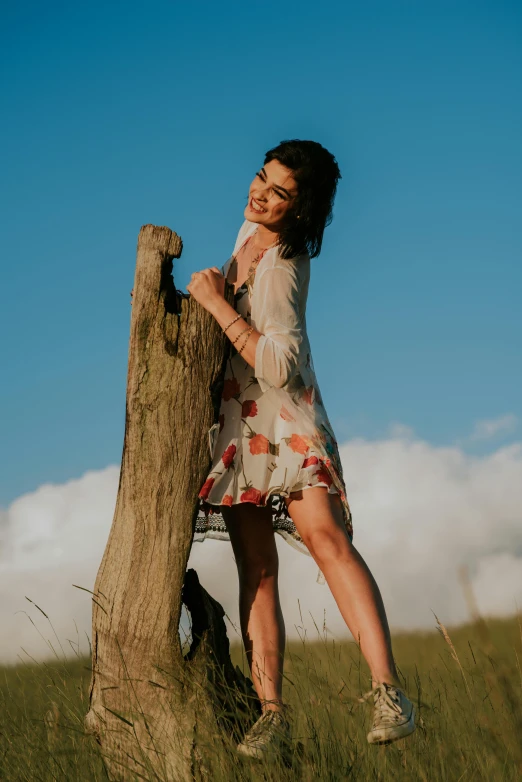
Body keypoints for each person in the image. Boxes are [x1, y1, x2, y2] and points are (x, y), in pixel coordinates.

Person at [186, 139, 416, 757]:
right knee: (256, 570)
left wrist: (211, 304)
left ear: (300, 209)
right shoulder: (247, 230)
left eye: (279, 191)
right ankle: (272, 716)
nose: (261, 192)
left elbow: (281, 364)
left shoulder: (283, 262)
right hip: (239, 427)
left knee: (326, 539)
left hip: (286, 420)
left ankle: (389, 692)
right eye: (263, 177)